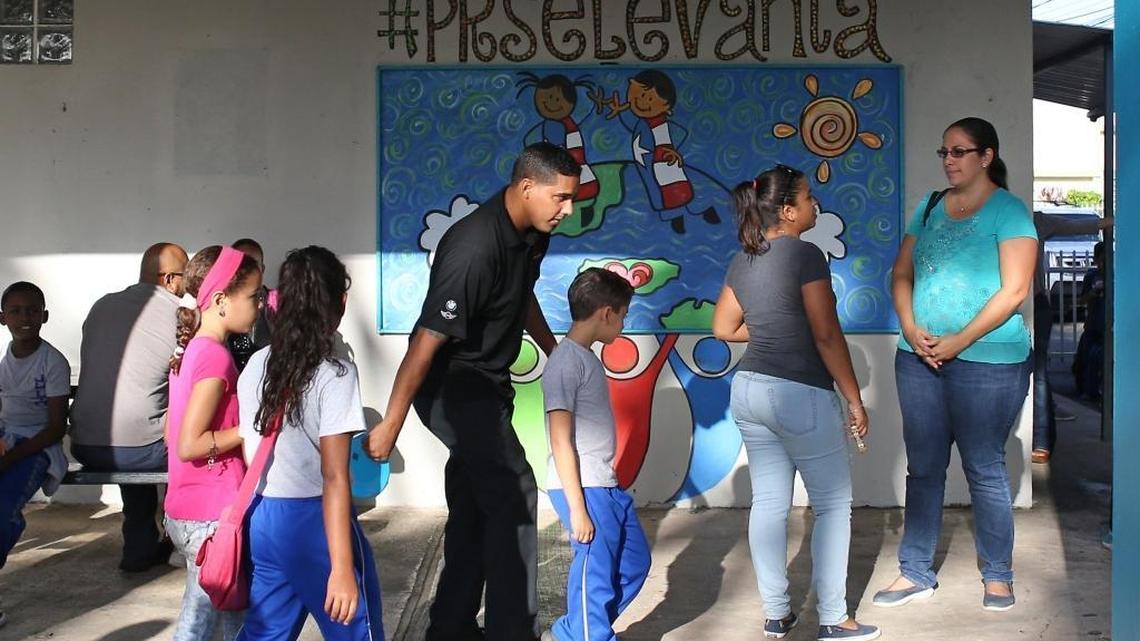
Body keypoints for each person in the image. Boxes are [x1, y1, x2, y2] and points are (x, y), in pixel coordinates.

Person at [366, 142, 578, 641]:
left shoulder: (531, 234)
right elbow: (426, 339)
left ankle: (450, 627)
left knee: (476, 505)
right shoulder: (474, 247)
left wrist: (556, 350)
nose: (567, 210)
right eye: (561, 198)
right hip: (453, 387)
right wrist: (389, 426)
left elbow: (520, 294)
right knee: (514, 491)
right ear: (527, 187)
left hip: (488, 385)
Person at [874, 117, 1036, 612]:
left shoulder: (1009, 212)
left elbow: (1015, 290)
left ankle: (998, 575)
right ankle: (915, 571)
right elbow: (900, 273)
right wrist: (907, 325)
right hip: (918, 358)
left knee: (985, 467)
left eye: (960, 152)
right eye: (944, 152)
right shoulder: (927, 207)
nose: (949, 160)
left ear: (986, 157)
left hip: (989, 362)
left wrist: (959, 341)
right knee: (923, 468)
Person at [712, 165, 880, 641]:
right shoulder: (806, 255)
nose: (815, 205)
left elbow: (723, 328)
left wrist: (770, 330)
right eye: (808, 198)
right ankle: (833, 617)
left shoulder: (743, 258)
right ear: (787, 210)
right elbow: (827, 335)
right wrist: (854, 399)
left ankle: (777, 614)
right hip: (798, 392)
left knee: (768, 502)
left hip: (749, 390)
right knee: (832, 505)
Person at [236, 246, 384, 640]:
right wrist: (340, 567)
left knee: (265, 633)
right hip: (314, 523)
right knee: (355, 630)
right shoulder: (335, 374)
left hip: (263, 516)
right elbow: (335, 477)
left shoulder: (256, 364)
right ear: (341, 302)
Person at [541, 267, 650, 641]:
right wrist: (577, 509)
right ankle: (589, 634)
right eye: (622, 315)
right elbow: (560, 440)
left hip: (604, 484)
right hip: (583, 489)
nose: (623, 323)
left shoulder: (585, 357)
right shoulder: (564, 362)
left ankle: (575, 630)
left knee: (635, 563)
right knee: (595, 574)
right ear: (606, 313)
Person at [70, 242, 189, 572]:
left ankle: (138, 548)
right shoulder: (180, 317)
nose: (188, 286)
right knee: (189, 443)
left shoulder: (101, 306)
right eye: (186, 277)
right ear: (168, 279)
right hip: (138, 450)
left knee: (137, 424)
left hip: (84, 446)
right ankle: (184, 541)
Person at [164, 245, 262, 641]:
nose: (259, 305)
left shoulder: (193, 350)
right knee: (206, 621)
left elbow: (173, 425)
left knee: (220, 613)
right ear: (221, 301)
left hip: (191, 509)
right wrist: (246, 431)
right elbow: (189, 443)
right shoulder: (215, 358)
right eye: (253, 296)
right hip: (211, 516)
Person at [0, 282, 70, 630]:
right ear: (2, 318)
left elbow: (56, 428)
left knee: (2, 510)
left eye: (31, 311)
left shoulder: (52, 362)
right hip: (9, 441)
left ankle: (10, 522)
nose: (24, 317)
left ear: (44, 316)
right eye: (15, 311)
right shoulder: (5, 361)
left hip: (38, 447)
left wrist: (10, 457)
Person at [1030, 212, 1112, 464]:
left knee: (1038, 374)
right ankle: (1042, 441)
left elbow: (1079, 224)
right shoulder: (1034, 220)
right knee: (1039, 375)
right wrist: (1109, 222)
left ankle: (1041, 441)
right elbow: (1079, 225)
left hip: (1032, 303)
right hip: (1033, 303)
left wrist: (1110, 221)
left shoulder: (1033, 220)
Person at [227, 238, 275, 371]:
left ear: (262, 269)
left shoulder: (277, 301)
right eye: (240, 264)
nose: (246, 271)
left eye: (253, 265)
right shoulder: (221, 303)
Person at [1073, 241, 1107, 402]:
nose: (1102, 264)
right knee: (1085, 358)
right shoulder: (1091, 276)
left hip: (1106, 325)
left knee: (1097, 357)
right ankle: (1086, 388)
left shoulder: (1115, 274)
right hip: (1093, 324)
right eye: (1099, 260)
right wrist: (1094, 292)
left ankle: (1095, 388)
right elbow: (1082, 300)